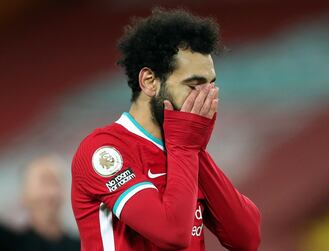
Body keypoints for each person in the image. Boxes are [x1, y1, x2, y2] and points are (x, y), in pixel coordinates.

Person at [71, 8, 261, 251]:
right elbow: (172, 234)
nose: (207, 97)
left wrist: (196, 150)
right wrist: (186, 146)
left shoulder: (185, 150)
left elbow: (246, 238)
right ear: (149, 81)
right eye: (194, 85)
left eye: (210, 85)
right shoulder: (103, 150)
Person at [0, 155, 80, 251]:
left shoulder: (83, 246)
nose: (51, 192)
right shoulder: (10, 243)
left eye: (55, 182)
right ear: (24, 195)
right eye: (44, 181)